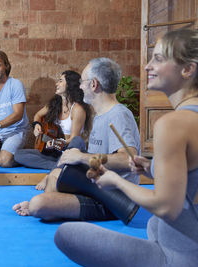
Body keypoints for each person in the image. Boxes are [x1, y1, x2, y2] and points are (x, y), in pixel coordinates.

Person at [54, 28, 198, 267]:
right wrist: (152, 168)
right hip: (184, 238)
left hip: (178, 255)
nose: (147, 66)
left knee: (66, 235)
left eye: (159, 59)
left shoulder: (172, 124)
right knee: (153, 226)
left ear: (187, 69)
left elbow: (167, 207)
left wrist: (116, 181)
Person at [13, 57, 140, 222]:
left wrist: (80, 157)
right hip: (95, 187)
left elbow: (129, 159)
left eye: (82, 81)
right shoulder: (101, 116)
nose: (80, 86)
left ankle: (49, 207)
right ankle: (52, 207)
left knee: (37, 204)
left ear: (94, 84)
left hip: (112, 200)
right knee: (54, 175)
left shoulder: (118, 114)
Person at [14, 70, 92, 190]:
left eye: (60, 81)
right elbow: (37, 116)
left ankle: (54, 171)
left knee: (76, 142)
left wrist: (57, 143)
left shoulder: (77, 109)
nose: (57, 84)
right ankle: (61, 165)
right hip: (53, 152)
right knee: (18, 155)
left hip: (68, 149)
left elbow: (73, 139)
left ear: (70, 85)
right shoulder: (55, 103)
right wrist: (36, 126)